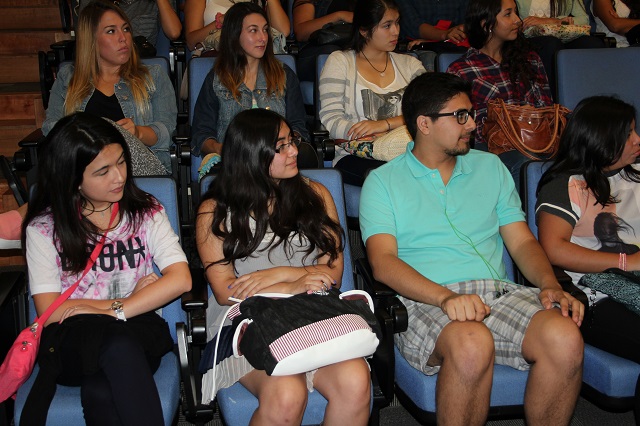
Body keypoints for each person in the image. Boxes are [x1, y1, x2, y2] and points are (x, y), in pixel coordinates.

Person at [359, 72, 584, 425]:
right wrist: (445, 298)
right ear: (424, 124)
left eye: (471, 114)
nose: (472, 125)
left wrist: (549, 284)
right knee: (471, 341)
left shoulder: (490, 166)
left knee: (565, 337)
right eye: (460, 116)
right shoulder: (383, 182)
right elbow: (383, 263)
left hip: (498, 294)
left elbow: (522, 240)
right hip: (427, 300)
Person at [195, 108, 371, 425]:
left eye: (293, 141)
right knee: (288, 394)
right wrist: (292, 284)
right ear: (252, 155)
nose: (294, 152)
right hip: (248, 317)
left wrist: (282, 275)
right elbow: (225, 291)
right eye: (281, 146)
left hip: (311, 310)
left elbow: (332, 273)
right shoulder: (215, 210)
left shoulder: (315, 194)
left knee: (356, 382)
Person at [21, 112, 191, 424]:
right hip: (72, 339)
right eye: (103, 171)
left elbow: (181, 279)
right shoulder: (45, 229)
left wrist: (114, 310)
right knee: (115, 346)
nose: (119, 177)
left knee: (102, 388)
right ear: (73, 179)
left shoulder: (145, 211)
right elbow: (51, 310)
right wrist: (127, 303)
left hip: (137, 329)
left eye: (121, 162)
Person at [536, 95, 640, 364]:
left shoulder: (636, 172)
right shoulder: (567, 184)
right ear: (600, 138)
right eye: (628, 134)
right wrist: (626, 262)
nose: (637, 139)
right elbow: (553, 249)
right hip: (594, 294)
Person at [44, 0, 177, 173]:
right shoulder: (68, 78)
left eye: (126, 29)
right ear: (91, 39)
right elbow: (52, 129)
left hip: (138, 171)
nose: (123, 38)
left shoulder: (154, 76)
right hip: (84, 168)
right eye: (111, 31)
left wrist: (138, 133)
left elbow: (167, 131)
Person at [191, 2, 317, 173]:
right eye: (253, 30)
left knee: (305, 158)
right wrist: (221, 149)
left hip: (278, 160)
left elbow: (298, 127)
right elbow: (202, 133)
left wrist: (285, 145)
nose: (263, 38)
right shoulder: (217, 79)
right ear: (235, 35)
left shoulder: (283, 75)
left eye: (265, 30)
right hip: (235, 164)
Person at [318, 0, 426, 186]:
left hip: (405, 150)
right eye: (387, 25)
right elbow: (330, 118)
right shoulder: (340, 62)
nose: (396, 31)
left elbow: (430, 110)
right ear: (364, 30)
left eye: (397, 23)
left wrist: (383, 125)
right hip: (356, 154)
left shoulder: (410, 65)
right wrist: (370, 139)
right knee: (391, 176)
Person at [447, 0, 553, 183]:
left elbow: (546, 107)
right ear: (486, 24)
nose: (518, 20)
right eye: (508, 14)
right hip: (488, 146)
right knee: (524, 163)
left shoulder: (530, 59)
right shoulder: (462, 69)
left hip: (535, 139)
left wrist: (529, 115)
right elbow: (458, 123)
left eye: (516, 13)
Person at [516, 0, 605, 94]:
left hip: (563, 35)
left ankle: (592, 95)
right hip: (529, 37)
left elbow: (584, 19)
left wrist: (552, 21)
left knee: (593, 44)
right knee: (552, 44)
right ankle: (554, 97)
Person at [184, 0, 290, 52]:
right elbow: (191, 42)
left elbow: (283, 32)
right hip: (216, 57)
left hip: (256, 58)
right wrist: (225, 21)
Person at [292, 0, 356, 82]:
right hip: (318, 50)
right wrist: (340, 16)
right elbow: (301, 32)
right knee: (334, 55)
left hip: (355, 47)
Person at [79, 0, 182, 48]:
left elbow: (174, 32)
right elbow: (86, 42)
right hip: (104, 64)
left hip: (141, 63)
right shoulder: (93, 3)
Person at [396, 0, 470, 54]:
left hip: (455, 45)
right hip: (416, 47)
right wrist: (445, 34)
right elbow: (413, 25)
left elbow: (468, 22)